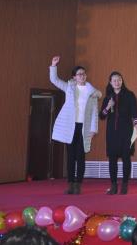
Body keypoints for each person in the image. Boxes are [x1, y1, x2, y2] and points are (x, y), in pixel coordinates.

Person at [49, 55, 101, 194]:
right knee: (71, 156)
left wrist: (93, 129)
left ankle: (78, 184)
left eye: (83, 74)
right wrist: (53, 65)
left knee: (81, 156)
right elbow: (54, 80)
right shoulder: (69, 88)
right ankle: (71, 184)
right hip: (70, 127)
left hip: (84, 127)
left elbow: (94, 112)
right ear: (74, 77)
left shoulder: (92, 92)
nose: (82, 76)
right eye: (79, 74)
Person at [100, 71, 137, 195]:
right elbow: (102, 116)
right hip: (112, 132)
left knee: (126, 157)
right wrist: (108, 107)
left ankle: (124, 185)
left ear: (122, 81)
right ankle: (113, 186)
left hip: (126, 131)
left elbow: (134, 112)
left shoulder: (129, 95)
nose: (117, 82)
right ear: (110, 82)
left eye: (119, 80)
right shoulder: (108, 97)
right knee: (112, 159)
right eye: (114, 80)